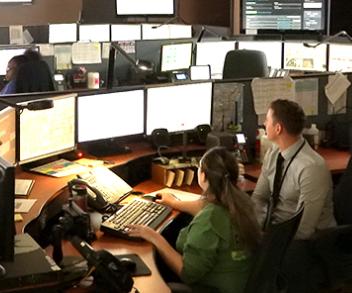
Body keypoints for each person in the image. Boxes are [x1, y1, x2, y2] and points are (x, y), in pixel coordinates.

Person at [128, 147, 261, 293]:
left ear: (203, 176)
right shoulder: (242, 203)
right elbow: (205, 206)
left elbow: (188, 273)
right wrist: (173, 203)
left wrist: (154, 237)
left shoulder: (209, 220)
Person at [251, 99, 336, 292]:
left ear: (278, 128)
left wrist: (271, 246)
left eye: (267, 120)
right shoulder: (273, 154)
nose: (264, 124)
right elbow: (259, 198)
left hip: (306, 242)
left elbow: (305, 228)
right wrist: (255, 230)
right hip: (276, 232)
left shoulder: (311, 167)